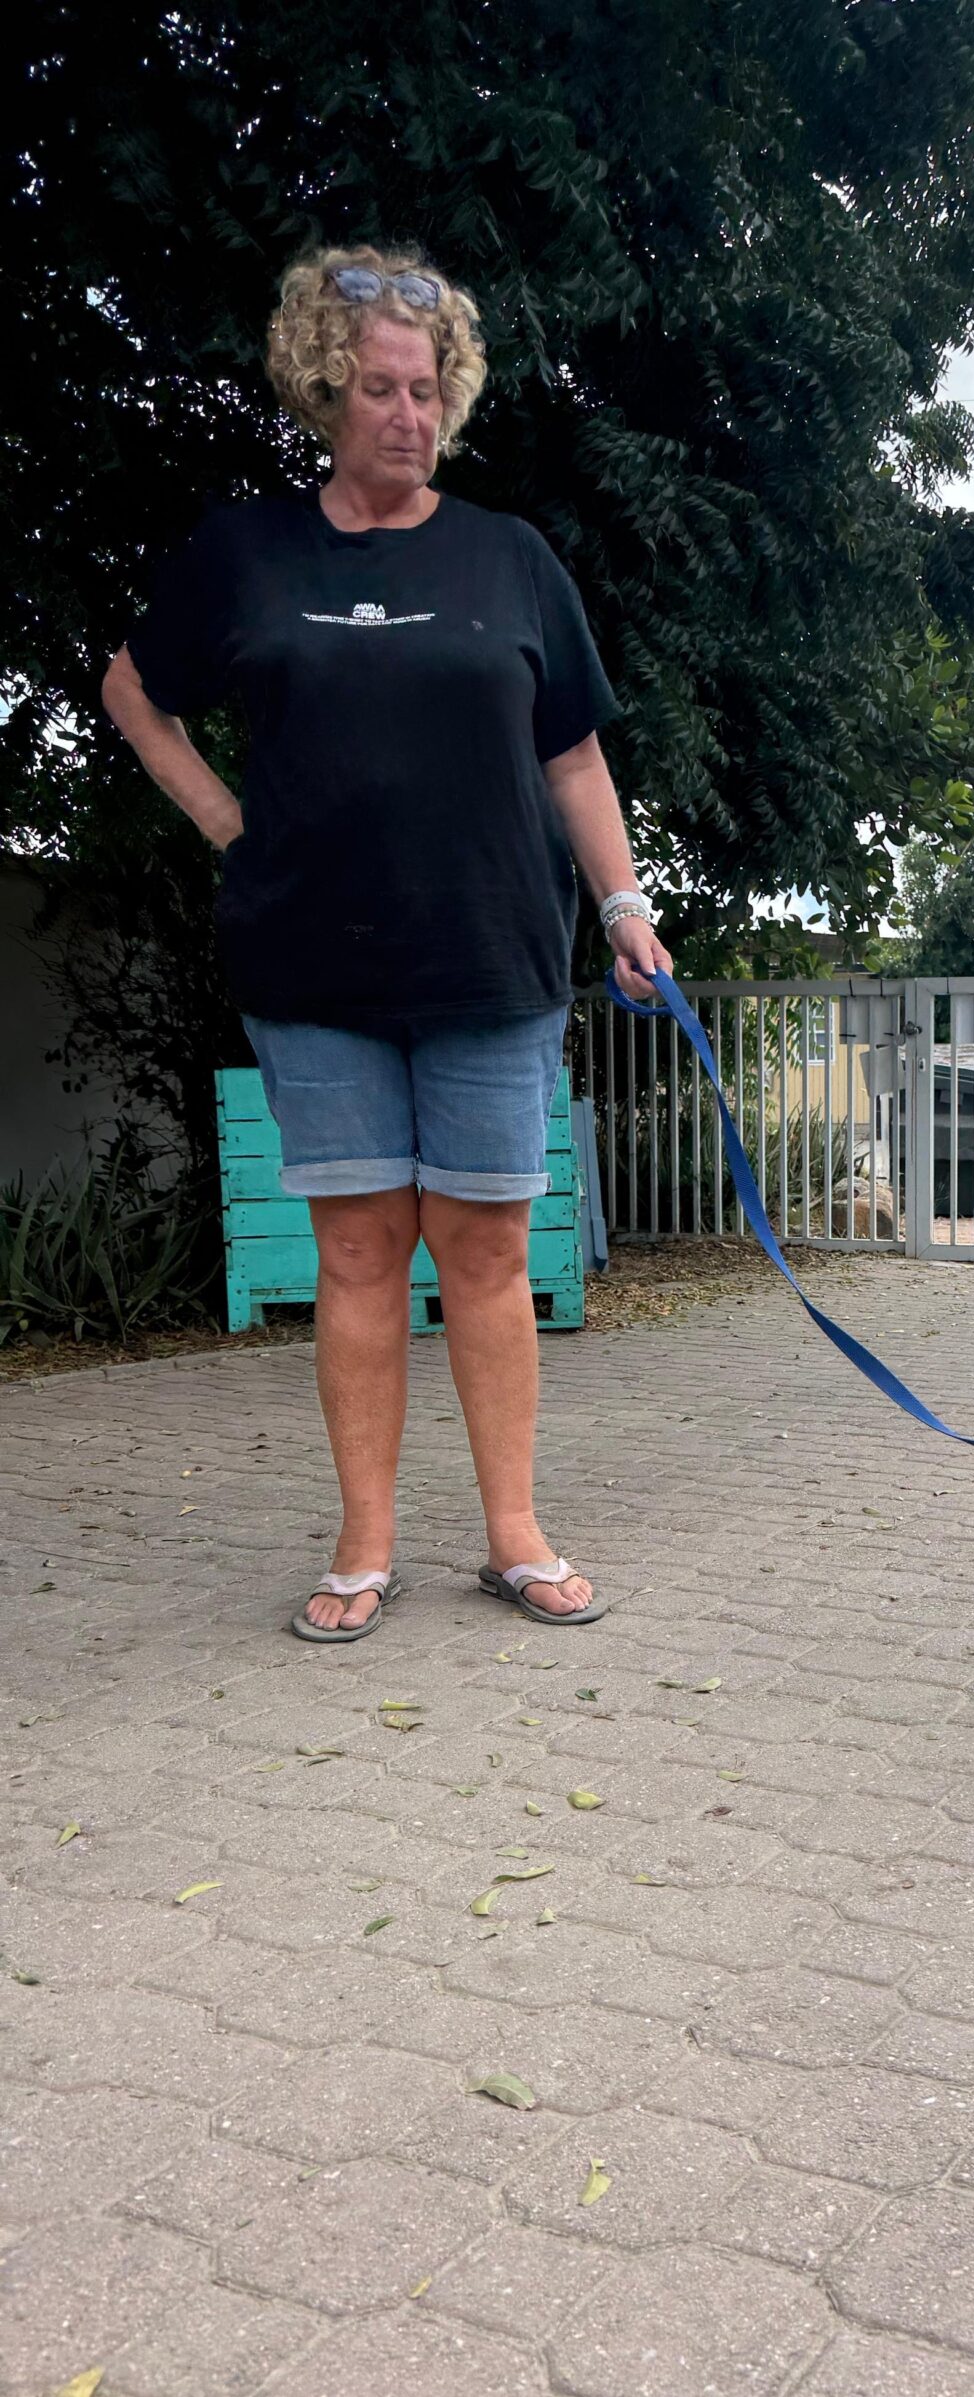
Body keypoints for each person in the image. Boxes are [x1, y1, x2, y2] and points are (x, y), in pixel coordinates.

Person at [102, 243, 672, 1642]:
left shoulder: (509, 558)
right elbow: (130, 690)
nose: (409, 416)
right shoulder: (247, 554)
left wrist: (624, 907)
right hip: (314, 966)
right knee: (356, 1258)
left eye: (428, 391)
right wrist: (229, 823)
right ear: (324, 391)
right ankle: (364, 1545)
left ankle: (514, 1535)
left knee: (487, 1259)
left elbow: (575, 756)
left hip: (490, 959)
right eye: (379, 390)